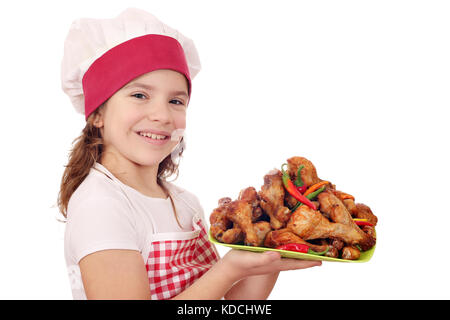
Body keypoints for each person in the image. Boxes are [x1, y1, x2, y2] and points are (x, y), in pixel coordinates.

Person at [58, 8, 321, 300]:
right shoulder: (101, 206)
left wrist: (271, 249)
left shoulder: (185, 204)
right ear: (97, 113)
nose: (161, 115)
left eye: (175, 100)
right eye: (139, 95)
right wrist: (228, 270)